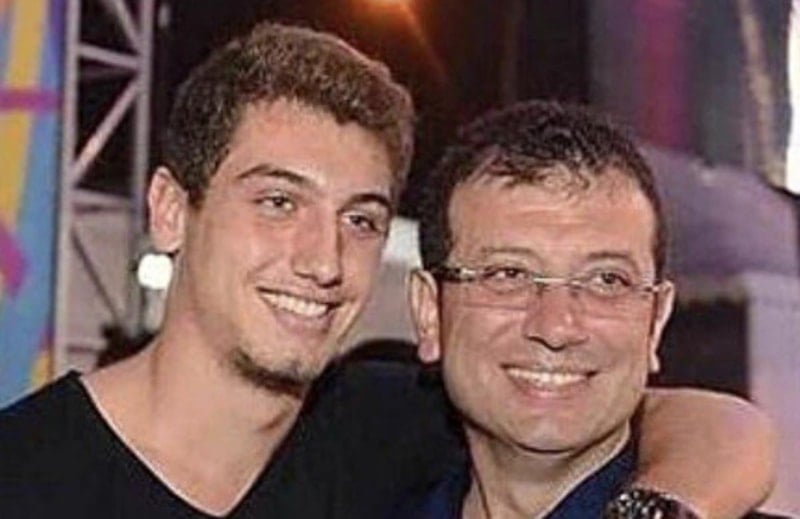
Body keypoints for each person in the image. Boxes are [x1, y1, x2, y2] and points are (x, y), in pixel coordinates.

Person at [0, 23, 776, 518]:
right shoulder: (27, 476)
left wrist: (660, 509)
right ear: (172, 210)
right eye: (278, 202)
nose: (323, 259)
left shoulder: (384, 426)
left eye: (362, 219)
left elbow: (703, 423)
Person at [404, 100, 784, 518]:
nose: (556, 327)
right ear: (429, 311)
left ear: (656, 320)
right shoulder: (368, 477)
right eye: (508, 274)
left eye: (606, 281)